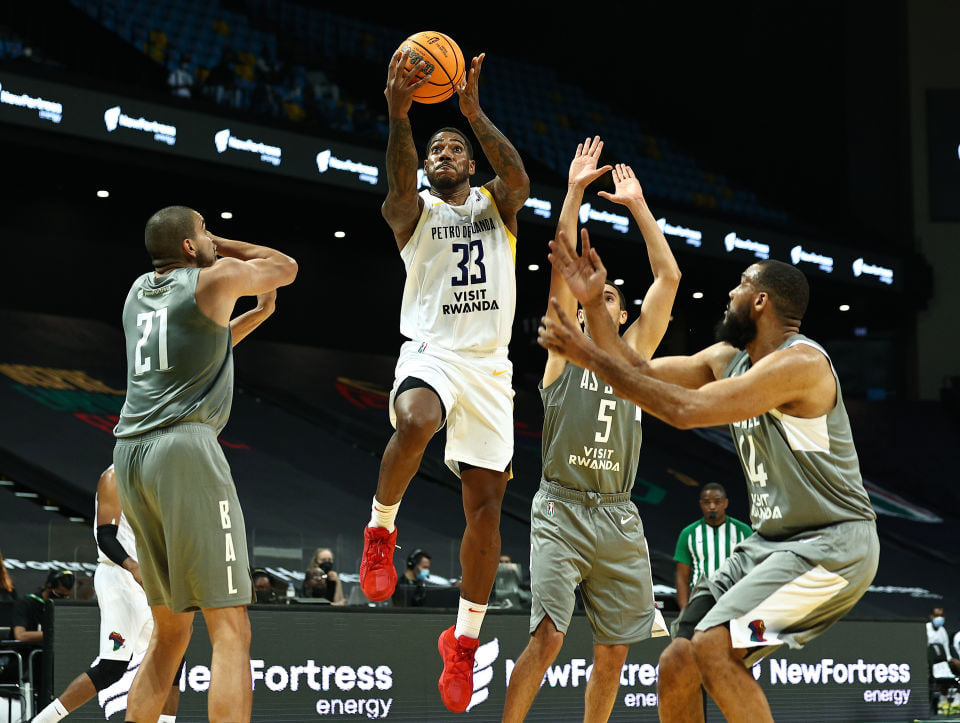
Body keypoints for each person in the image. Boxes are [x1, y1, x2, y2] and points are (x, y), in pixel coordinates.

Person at [538, 235, 879, 723]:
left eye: (739, 286)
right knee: (678, 661)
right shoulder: (727, 358)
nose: (729, 295)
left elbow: (683, 410)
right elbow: (635, 370)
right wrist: (593, 307)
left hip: (833, 550)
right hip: (772, 545)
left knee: (715, 647)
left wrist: (588, 354)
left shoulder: (801, 364)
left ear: (760, 301)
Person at [359, 48, 529, 714]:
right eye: (439, 149)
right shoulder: (415, 212)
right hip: (433, 350)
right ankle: (381, 530)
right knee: (418, 419)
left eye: (457, 147)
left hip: (490, 367)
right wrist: (400, 116)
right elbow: (399, 188)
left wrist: (474, 113)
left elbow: (517, 175)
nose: (447, 152)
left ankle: (462, 641)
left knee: (487, 512)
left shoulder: (497, 204)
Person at [503, 138, 680, 723]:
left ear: (623, 315)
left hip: (619, 513)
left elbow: (669, 276)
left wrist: (638, 207)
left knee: (614, 652)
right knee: (549, 638)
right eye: (588, 295)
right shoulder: (563, 350)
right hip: (561, 507)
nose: (595, 298)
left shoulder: (635, 357)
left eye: (608, 296)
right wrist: (575, 191)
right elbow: (561, 260)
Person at [112, 206, 297, 723]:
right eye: (204, 231)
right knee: (231, 626)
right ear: (191, 248)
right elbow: (285, 266)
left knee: (170, 634)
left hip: (131, 455)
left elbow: (189, 352)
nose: (212, 237)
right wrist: (224, 245)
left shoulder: (136, 292)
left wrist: (250, 319)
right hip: (184, 450)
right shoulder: (212, 277)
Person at [27, 466, 182, 723]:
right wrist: (134, 567)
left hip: (154, 579)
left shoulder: (162, 477)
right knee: (111, 668)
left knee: (173, 657)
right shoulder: (115, 476)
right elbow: (106, 536)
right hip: (120, 576)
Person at [674, 483, 753, 610]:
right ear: (701, 504)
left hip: (735, 600)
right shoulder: (688, 533)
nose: (712, 506)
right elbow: (682, 576)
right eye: (707, 502)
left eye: (717, 502)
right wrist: (684, 610)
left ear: (726, 503)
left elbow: (753, 569)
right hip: (700, 601)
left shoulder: (743, 531)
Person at [12, 570, 75, 644]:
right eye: (60, 595)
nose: (63, 599)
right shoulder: (25, 603)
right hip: (29, 651)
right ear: (49, 586)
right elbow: (20, 636)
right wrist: (56, 634)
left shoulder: (63, 607)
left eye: (66, 596)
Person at [927, 606, 960, 715]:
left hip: (943, 664)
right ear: (931, 616)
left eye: (941, 615)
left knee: (957, 666)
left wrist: (953, 661)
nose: (939, 618)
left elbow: (946, 652)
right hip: (930, 664)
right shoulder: (926, 629)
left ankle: (950, 701)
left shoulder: (943, 631)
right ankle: (943, 701)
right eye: (937, 616)